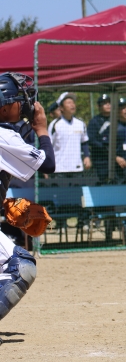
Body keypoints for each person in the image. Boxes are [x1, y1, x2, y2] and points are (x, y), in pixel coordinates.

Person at [0, 72, 55, 321]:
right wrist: (42, 129)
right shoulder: (4, 136)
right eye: (18, 99)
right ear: (4, 108)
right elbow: (48, 164)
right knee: (22, 267)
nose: (25, 103)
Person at [48, 92, 91, 176]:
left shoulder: (80, 123)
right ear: (61, 108)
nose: (72, 105)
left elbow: (84, 142)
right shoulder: (55, 125)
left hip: (77, 168)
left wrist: (87, 156)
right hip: (59, 169)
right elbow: (48, 146)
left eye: (73, 102)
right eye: (68, 103)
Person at [87, 94, 112, 183]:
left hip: (115, 159)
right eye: (104, 103)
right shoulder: (94, 121)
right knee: (102, 182)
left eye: (109, 102)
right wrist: (105, 148)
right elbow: (91, 139)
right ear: (99, 106)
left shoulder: (115, 120)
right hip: (100, 159)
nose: (108, 105)